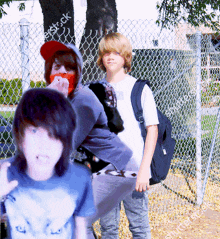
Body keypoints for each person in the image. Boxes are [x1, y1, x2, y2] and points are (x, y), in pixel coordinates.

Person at [39, 40, 138, 238]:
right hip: (100, 167)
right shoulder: (65, 99)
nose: (62, 72)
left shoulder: (82, 100)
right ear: (49, 70)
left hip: (118, 168)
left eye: (69, 68)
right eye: (57, 66)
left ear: (79, 72)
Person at [0, 88, 96, 239]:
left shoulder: (79, 178)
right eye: (34, 132)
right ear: (19, 135)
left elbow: (80, 229)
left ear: (66, 141)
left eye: (54, 135)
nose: (44, 145)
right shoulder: (5, 174)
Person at [97, 32, 159, 238]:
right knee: (108, 230)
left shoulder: (139, 89)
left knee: (139, 228)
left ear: (126, 56)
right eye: (106, 52)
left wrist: (144, 171)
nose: (110, 57)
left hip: (134, 172)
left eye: (116, 52)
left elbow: (152, 130)